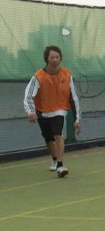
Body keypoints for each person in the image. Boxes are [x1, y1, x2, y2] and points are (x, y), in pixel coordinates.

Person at [23, 45, 81, 178]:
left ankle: (60, 165)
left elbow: (74, 98)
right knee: (48, 137)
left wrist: (77, 119)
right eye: (52, 57)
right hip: (42, 110)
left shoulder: (67, 74)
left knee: (58, 134)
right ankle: (55, 160)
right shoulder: (38, 76)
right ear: (47, 59)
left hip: (59, 110)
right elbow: (28, 95)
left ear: (60, 58)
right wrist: (30, 111)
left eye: (57, 57)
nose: (55, 59)